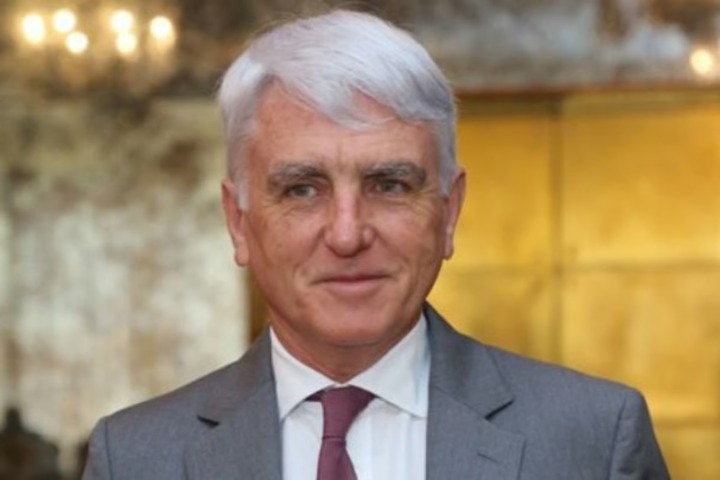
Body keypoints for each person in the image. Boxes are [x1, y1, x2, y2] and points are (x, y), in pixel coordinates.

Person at [82, 9, 669, 480]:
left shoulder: (594, 440)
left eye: (389, 185)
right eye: (303, 189)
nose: (347, 234)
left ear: (448, 212)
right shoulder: (136, 458)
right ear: (239, 222)